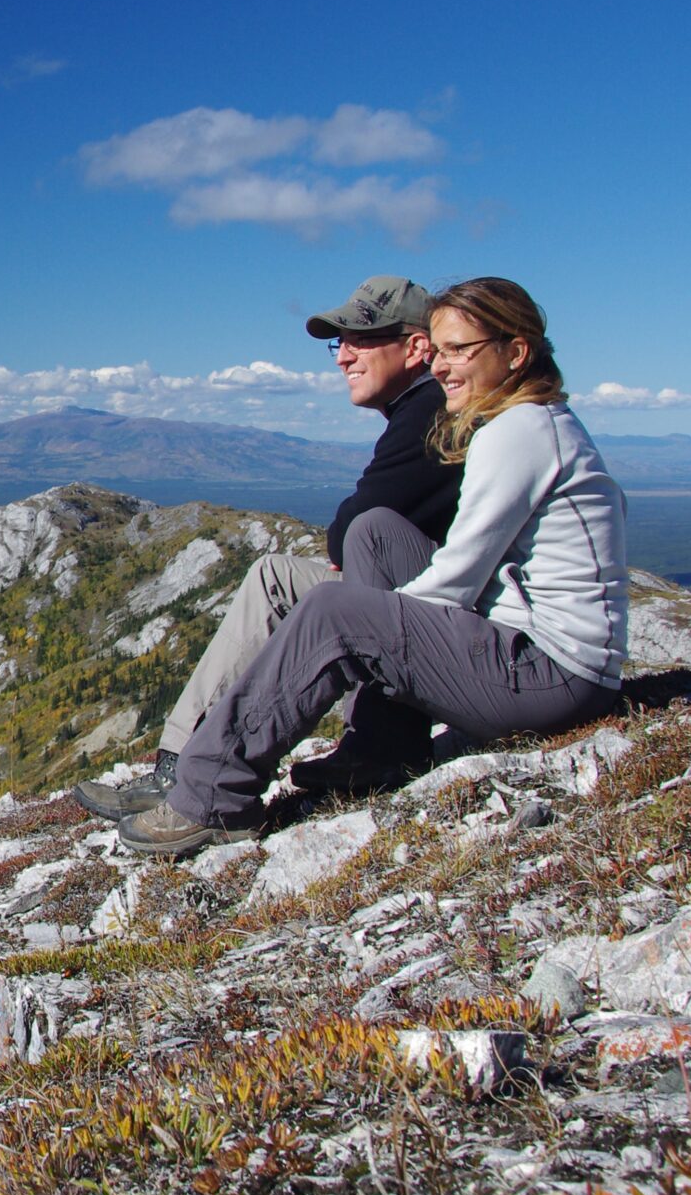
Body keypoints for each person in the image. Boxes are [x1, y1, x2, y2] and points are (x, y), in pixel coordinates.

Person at [113, 276, 628, 858]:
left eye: (462, 350)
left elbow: (457, 579)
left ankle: (209, 797)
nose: (444, 367)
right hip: (542, 661)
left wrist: (361, 623)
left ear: (516, 353)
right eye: (443, 351)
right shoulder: (529, 422)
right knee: (376, 533)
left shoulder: (519, 431)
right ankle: (380, 750)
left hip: (552, 678)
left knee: (334, 610)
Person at [75, 274, 460, 818]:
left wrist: (351, 533)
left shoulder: (431, 412)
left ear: (417, 346)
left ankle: (367, 746)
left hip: (456, 623)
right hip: (433, 604)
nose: (342, 357)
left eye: (360, 339)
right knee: (274, 574)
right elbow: (358, 524)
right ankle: (179, 764)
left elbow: (355, 526)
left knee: (307, 566)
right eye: (340, 342)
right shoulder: (419, 410)